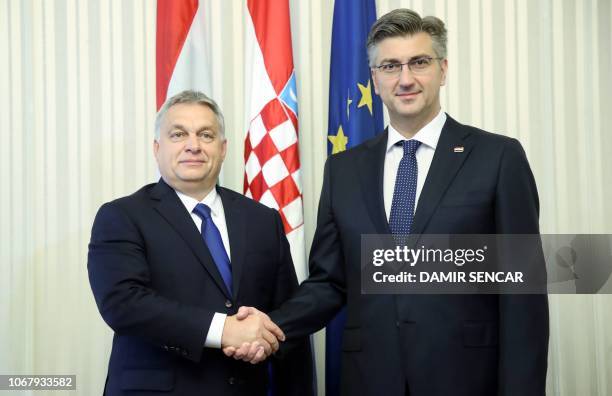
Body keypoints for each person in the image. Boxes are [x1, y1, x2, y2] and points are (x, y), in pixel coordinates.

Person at [227, 9, 549, 396]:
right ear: (375, 79)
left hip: (467, 379)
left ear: (443, 70)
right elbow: (330, 282)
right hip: (369, 378)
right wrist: (272, 326)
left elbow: (523, 295)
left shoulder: (498, 158)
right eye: (391, 66)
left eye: (419, 62)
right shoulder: (343, 170)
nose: (406, 78)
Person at [87, 90, 313, 396]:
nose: (193, 145)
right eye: (179, 134)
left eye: (205, 135)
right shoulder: (122, 216)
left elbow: (287, 316)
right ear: (157, 148)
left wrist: (266, 341)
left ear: (223, 149)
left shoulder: (263, 220)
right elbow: (123, 304)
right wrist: (224, 330)